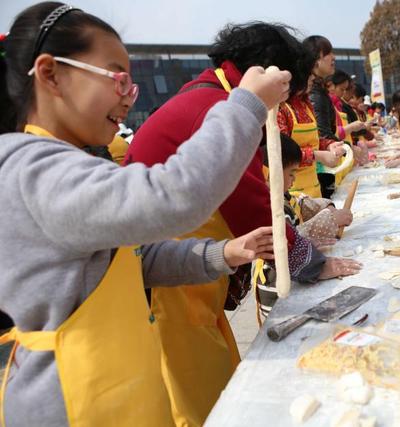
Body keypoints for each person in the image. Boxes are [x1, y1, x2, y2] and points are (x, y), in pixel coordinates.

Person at [0, 2, 290, 426]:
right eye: (117, 77)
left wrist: (224, 253)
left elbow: (132, 260)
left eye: (132, 85)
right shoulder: (32, 171)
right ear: (50, 74)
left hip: (118, 389)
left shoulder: (71, 166)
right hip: (74, 404)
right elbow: (175, 194)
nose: (127, 96)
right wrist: (245, 105)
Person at [124, 22, 318, 425]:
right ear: (265, 72)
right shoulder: (216, 106)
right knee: (202, 400)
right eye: (286, 92)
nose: (282, 108)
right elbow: (250, 202)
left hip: (198, 268)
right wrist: (311, 260)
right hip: (169, 275)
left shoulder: (214, 94)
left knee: (225, 375)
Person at [253, 134, 359, 323]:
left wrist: (328, 208)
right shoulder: (270, 207)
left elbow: (303, 203)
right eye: (291, 173)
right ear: (271, 173)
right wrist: (329, 219)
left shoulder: (285, 197)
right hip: (276, 287)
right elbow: (287, 239)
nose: (294, 180)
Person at [304, 36, 349, 197]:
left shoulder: (318, 92)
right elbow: (322, 132)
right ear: (316, 59)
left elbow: (320, 137)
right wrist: (345, 148)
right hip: (310, 184)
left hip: (317, 181)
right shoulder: (314, 95)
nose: (333, 57)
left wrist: (334, 145)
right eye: (328, 53)